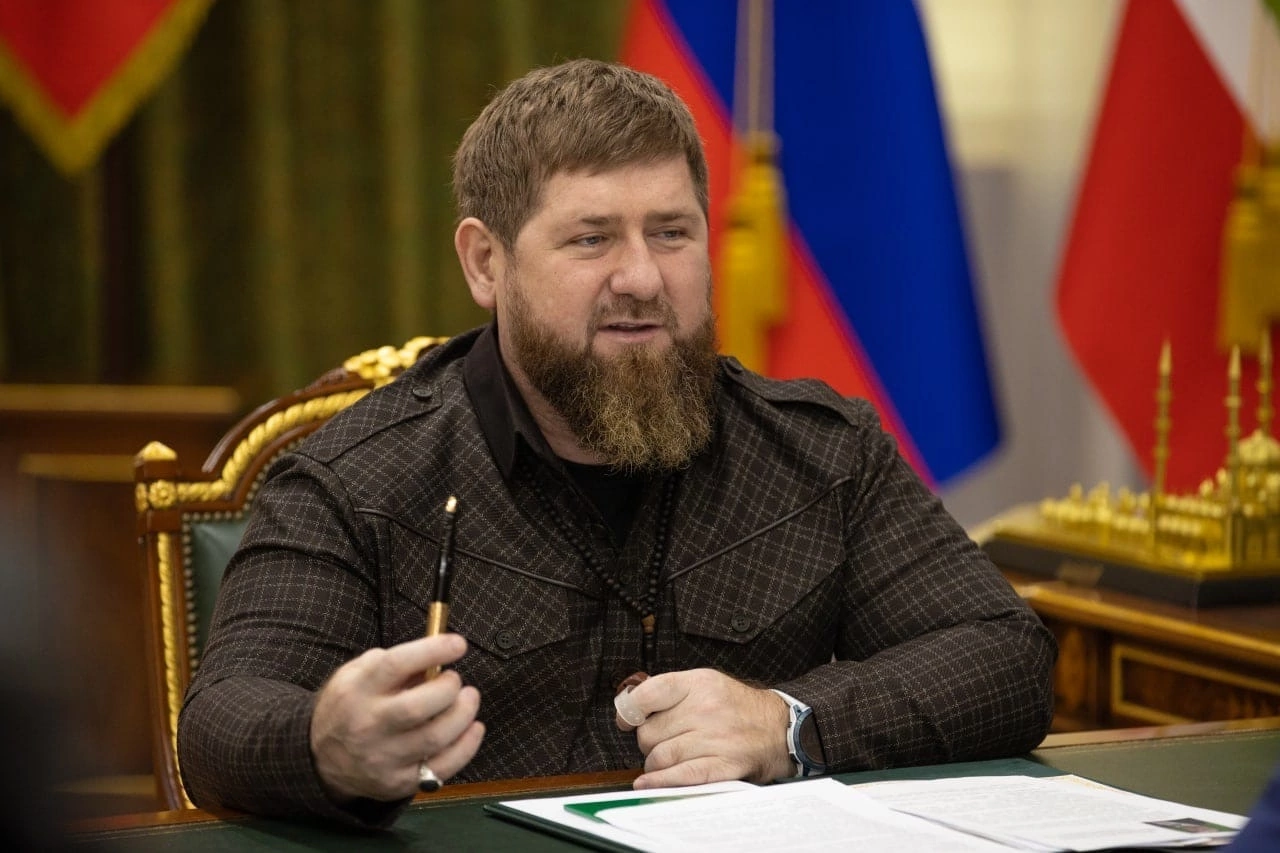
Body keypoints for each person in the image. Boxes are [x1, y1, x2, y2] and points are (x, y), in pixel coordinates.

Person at [178, 58, 1056, 827]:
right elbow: (220, 724)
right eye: (591, 238)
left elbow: (1005, 657)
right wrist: (327, 743)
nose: (641, 278)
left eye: (671, 233)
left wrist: (788, 721)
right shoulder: (357, 477)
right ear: (486, 263)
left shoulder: (821, 452)